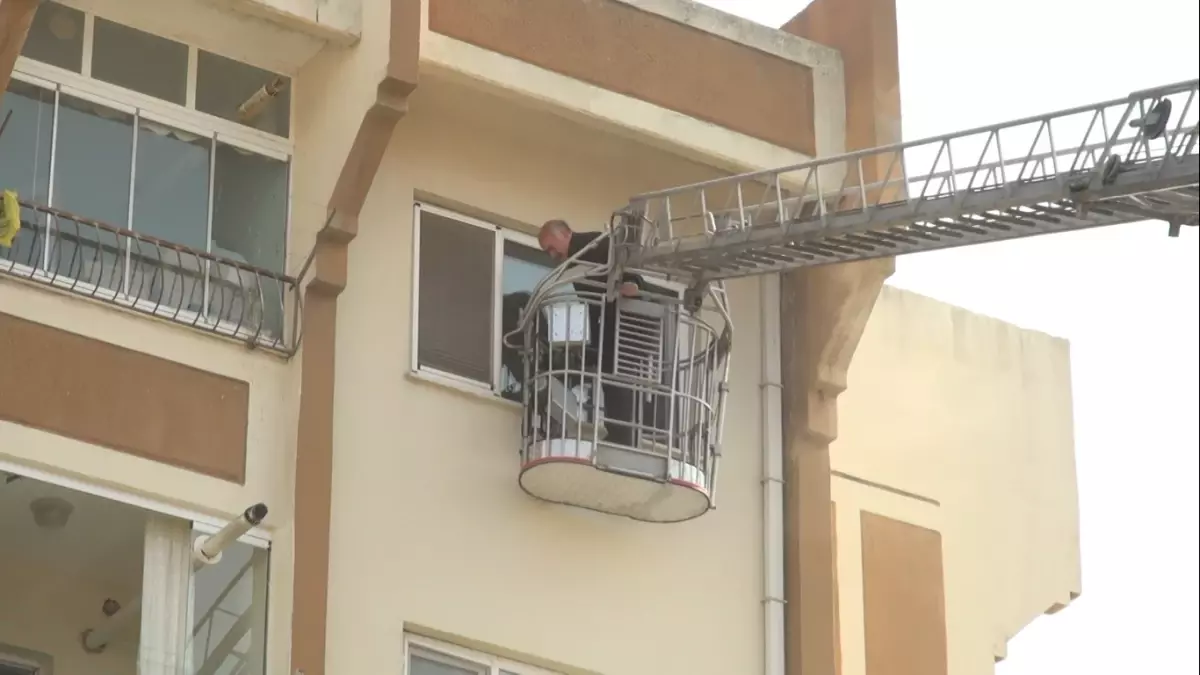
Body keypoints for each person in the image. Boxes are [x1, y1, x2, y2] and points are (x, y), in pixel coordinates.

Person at [538, 219, 642, 446]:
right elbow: (592, 304)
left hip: (626, 321)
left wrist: (631, 283)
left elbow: (624, 262)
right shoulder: (575, 260)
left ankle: (624, 438)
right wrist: (593, 344)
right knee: (611, 379)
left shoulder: (595, 243)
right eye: (547, 251)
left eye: (551, 247)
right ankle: (619, 435)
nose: (552, 254)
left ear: (565, 234)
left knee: (619, 380)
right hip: (611, 324)